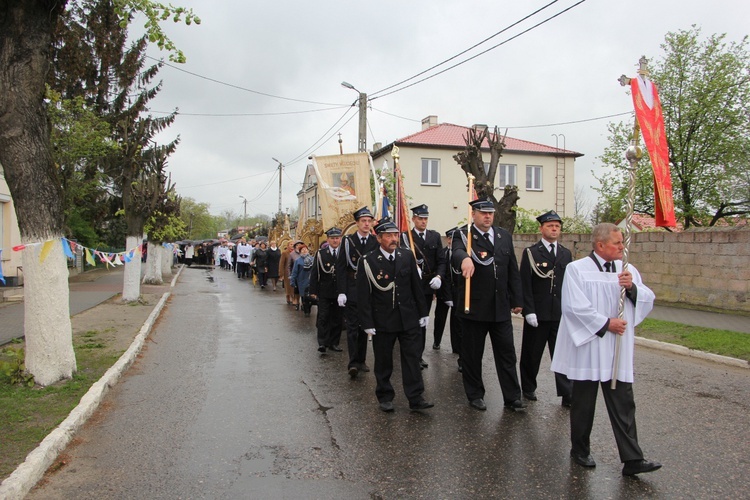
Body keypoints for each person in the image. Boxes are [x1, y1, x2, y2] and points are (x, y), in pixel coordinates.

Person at [550, 223, 661, 476]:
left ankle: (633, 459)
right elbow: (573, 307)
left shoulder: (627, 269)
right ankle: (580, 450)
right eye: (618, 243)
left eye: (622, 242)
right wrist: (605, 323)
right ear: (600, 245)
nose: (623, 247)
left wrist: (631, 288)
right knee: (583, 404)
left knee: (624, 403)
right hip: (590, 346)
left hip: (617, 348)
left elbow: (647, 298)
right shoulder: (577, 269)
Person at [451, 198, 525, 412]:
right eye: (483, 213)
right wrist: (464, 258)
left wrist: (517, 299)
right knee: (473, 356)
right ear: (473, 214)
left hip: (500, 307)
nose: (487, 217)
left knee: (507, 354)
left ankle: (512, 397)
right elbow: (456, 252)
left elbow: (512, 269)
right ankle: (475, 395)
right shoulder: (463, 235)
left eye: (490, 213)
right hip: (473, 308)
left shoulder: (503, 236)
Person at [357, 218, 433, 412]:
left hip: (408, 317)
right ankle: (385, 395)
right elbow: (363, 295)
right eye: (389, 235)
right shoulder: (368, 261)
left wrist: (423, 312)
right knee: (383, 360)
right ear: (379, 237)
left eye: (396, 235)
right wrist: (367, 322)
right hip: (382, 319)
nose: (393, 239)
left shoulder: (406, 256)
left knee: (412, 358)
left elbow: (416, 286)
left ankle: (416, 398)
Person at [519, 210, 574, 406]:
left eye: (557, 226)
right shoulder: (532, 253)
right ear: (541, 228)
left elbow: (570, 285)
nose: (554, 229)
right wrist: (528, 310)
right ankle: (528, 387)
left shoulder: (566, 254)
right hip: (538, 313)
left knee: (562, 354)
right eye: (550, 226)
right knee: (532, 353)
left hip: (559, 313)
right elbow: (525, 283)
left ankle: (567, 392)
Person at [399, 204, 446, 368]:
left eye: (425, 218)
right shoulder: (406, 238)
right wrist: (412, 269)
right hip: (410, 286)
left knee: (423, 320)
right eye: (420, 218)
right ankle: (409, 354)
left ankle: (418, 356)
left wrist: (439, 276)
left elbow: (441, 260)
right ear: (413, 219)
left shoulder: (434, 237)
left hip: (427, 286)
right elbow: (400, 260)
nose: (423, 221)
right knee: (410, 320)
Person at [336, 206, 380, 379]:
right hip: (352, 288)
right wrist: (341, 291)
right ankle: (353, 362)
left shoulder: (375, 241)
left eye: (369, 221)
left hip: (370, 289)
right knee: (353, 327)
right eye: (363, 221)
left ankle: (362, 360)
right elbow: (340, 268)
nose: (366, 224)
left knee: (365, 327)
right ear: (357, 223)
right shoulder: (348, 242)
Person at [309, 227, 344, 353]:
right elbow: (315, 273)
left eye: (337, 238)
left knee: (337, 318)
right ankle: (322, 343)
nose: (335, 241)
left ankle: (334, 343)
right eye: (332, 238)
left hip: (339, 291)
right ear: (328, 239)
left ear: (340, 239)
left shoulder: (343, 253)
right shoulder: (321, 254)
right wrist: (312, 290)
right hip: (324, 291)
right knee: (323, 317)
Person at [433, 227, 463, 371]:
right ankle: (436, 341)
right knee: (440, 318)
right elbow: (442, 274)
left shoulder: (461, 253)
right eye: (451, 238)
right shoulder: (443, 253)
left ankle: (456, 346)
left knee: (456, 321)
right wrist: (446, 295)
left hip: (457, 292)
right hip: (443, 292)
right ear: (448, 239)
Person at [290, 244, 315, 315]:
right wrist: (293, 281)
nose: (304, 251)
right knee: (304, 296)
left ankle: (308, 307)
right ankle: (306, 309)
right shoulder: (298, 261)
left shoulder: (312, 259)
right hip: (302, 280)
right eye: (302, 250)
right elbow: (294, 272)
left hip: (311, 280)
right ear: (300, 251)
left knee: (311, 295)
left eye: (305, 249)